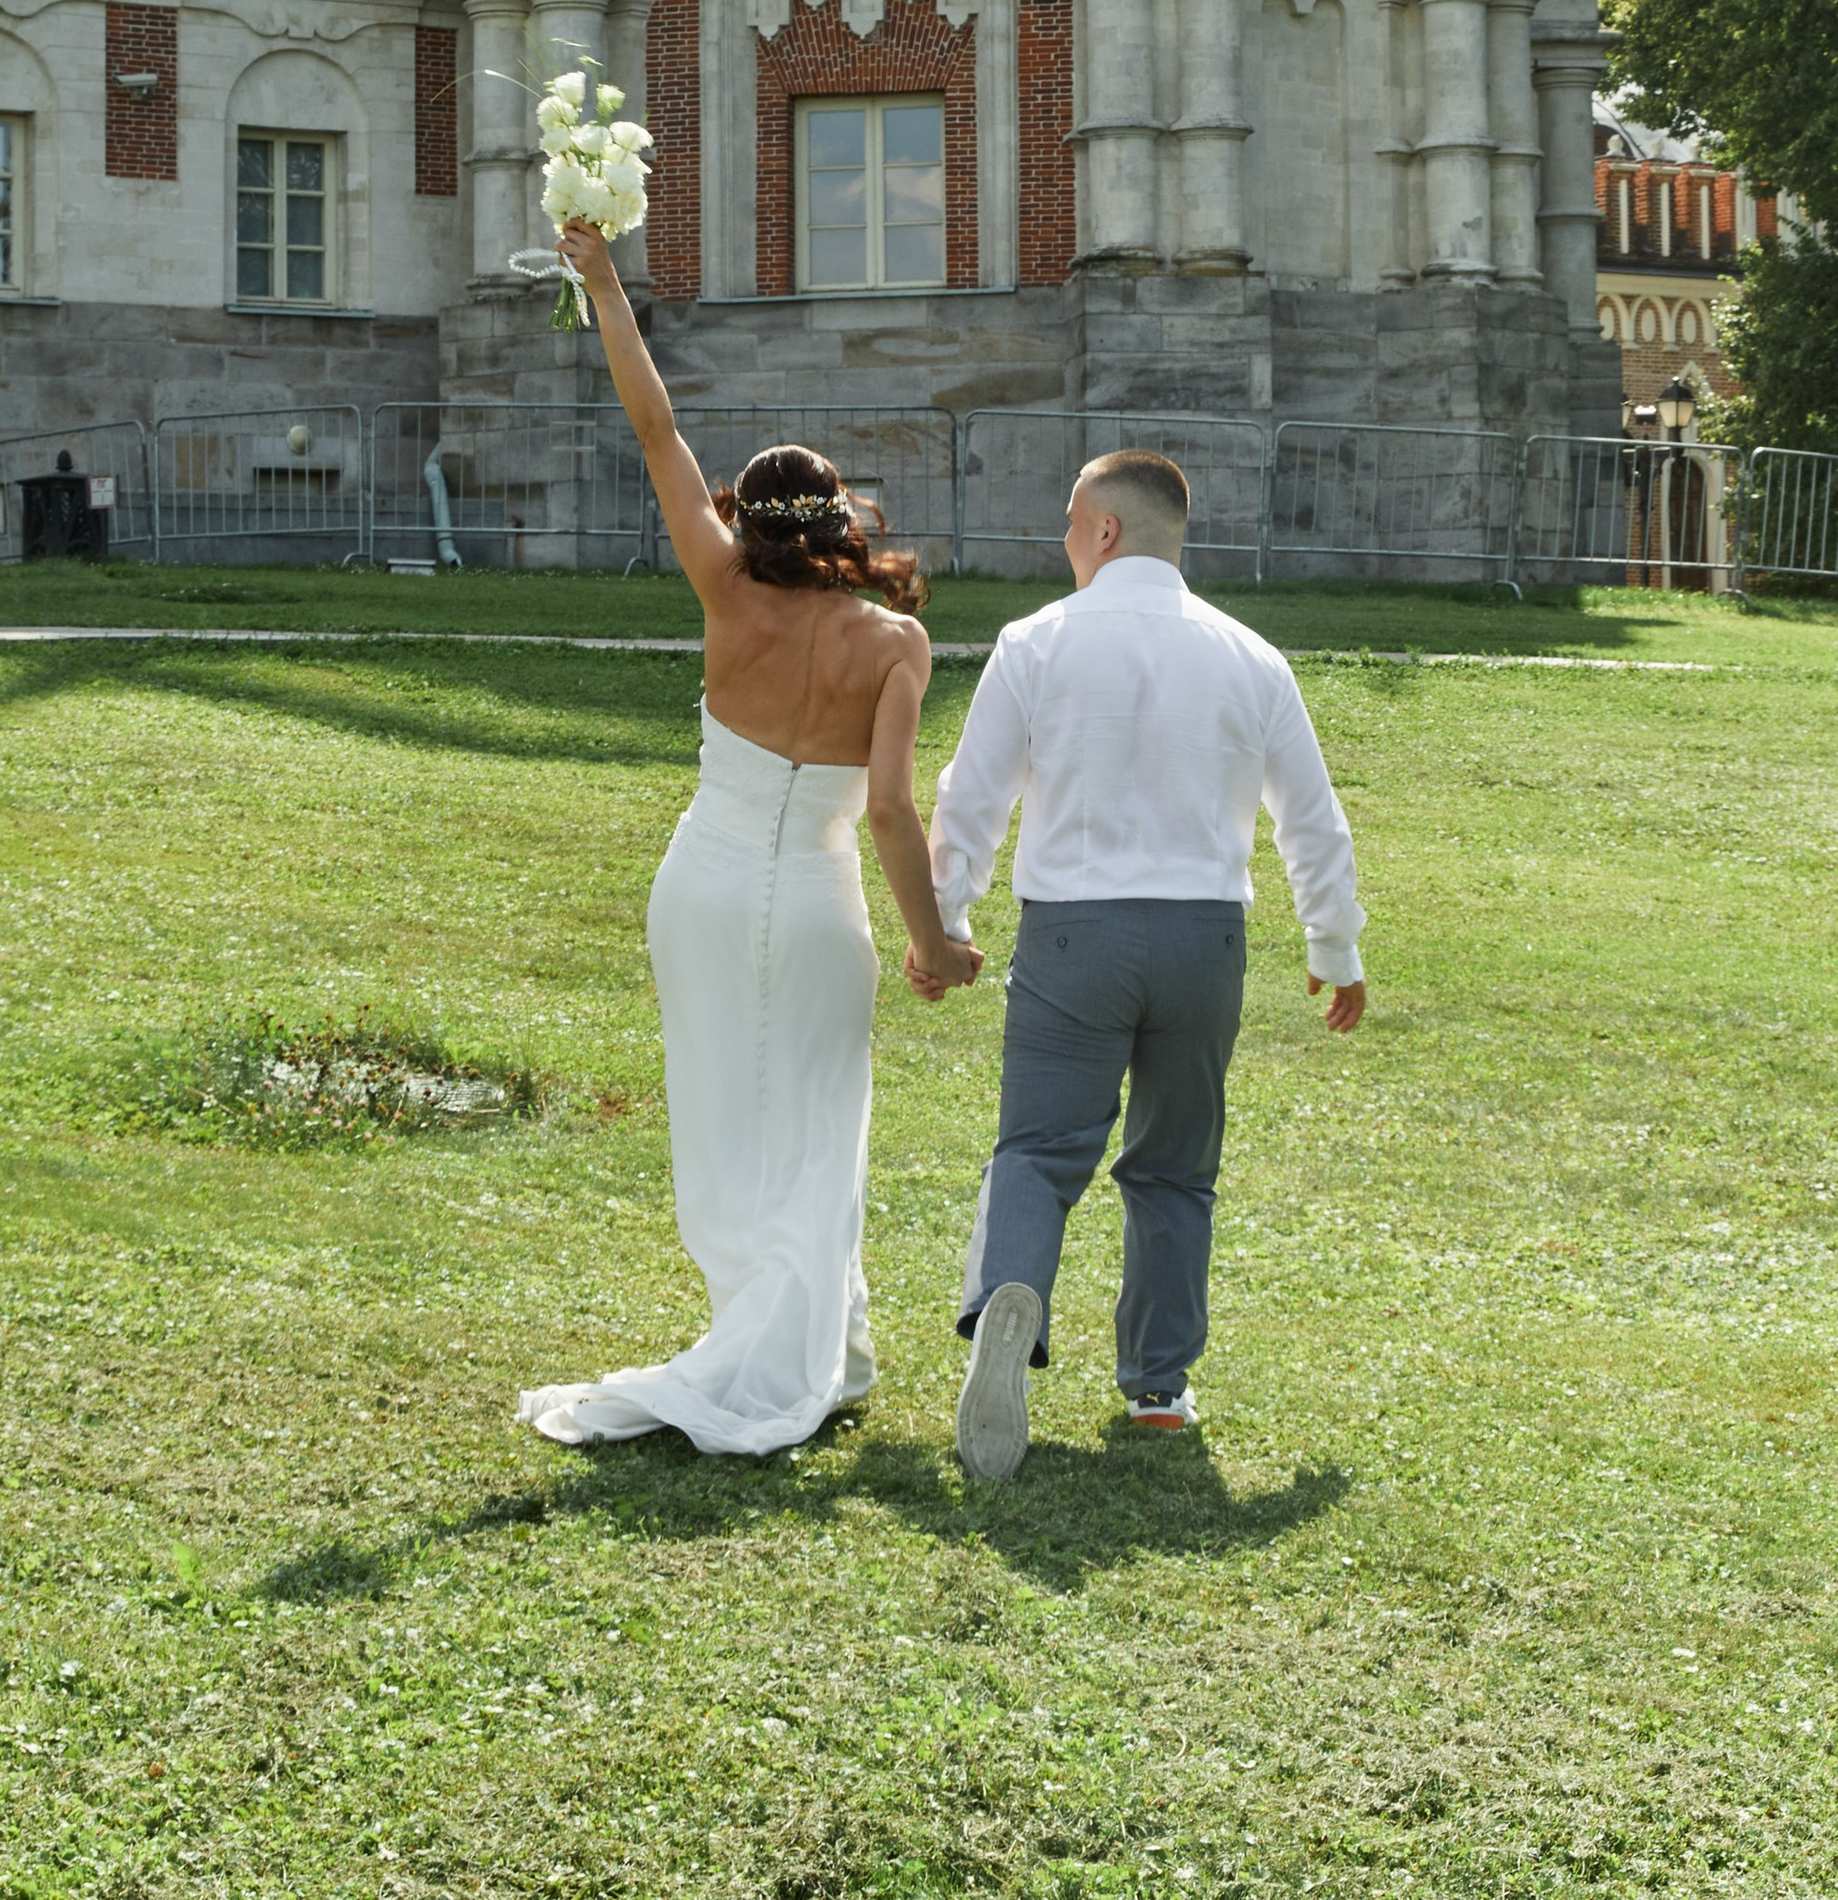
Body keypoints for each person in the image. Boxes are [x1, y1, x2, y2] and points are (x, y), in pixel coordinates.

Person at [517, 223, 981, 1456]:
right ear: (836, 517)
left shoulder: (723, 589)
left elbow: (655, 429)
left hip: (706, 888)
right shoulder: (894, 645)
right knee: (821, 1124)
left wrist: (603, 279)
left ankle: (810, 1342)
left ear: (752, 519)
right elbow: (887, 808)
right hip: (818, 901)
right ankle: (800, 1349)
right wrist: (933, 942)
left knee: (725, 1118)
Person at [929, 448, 1367, 1484]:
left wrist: (942, 919)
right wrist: (1332, 945)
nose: (1064, 540)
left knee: (1036, 1150)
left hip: (1073, 932)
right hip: (1202, 940)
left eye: (1071, 521)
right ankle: (1158, 1387)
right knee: (1173, 1169)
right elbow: (1312, 818)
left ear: (1107, 532)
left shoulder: (1032, 643)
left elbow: (972, 796)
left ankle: (1007, 1303)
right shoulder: (1252, 657)